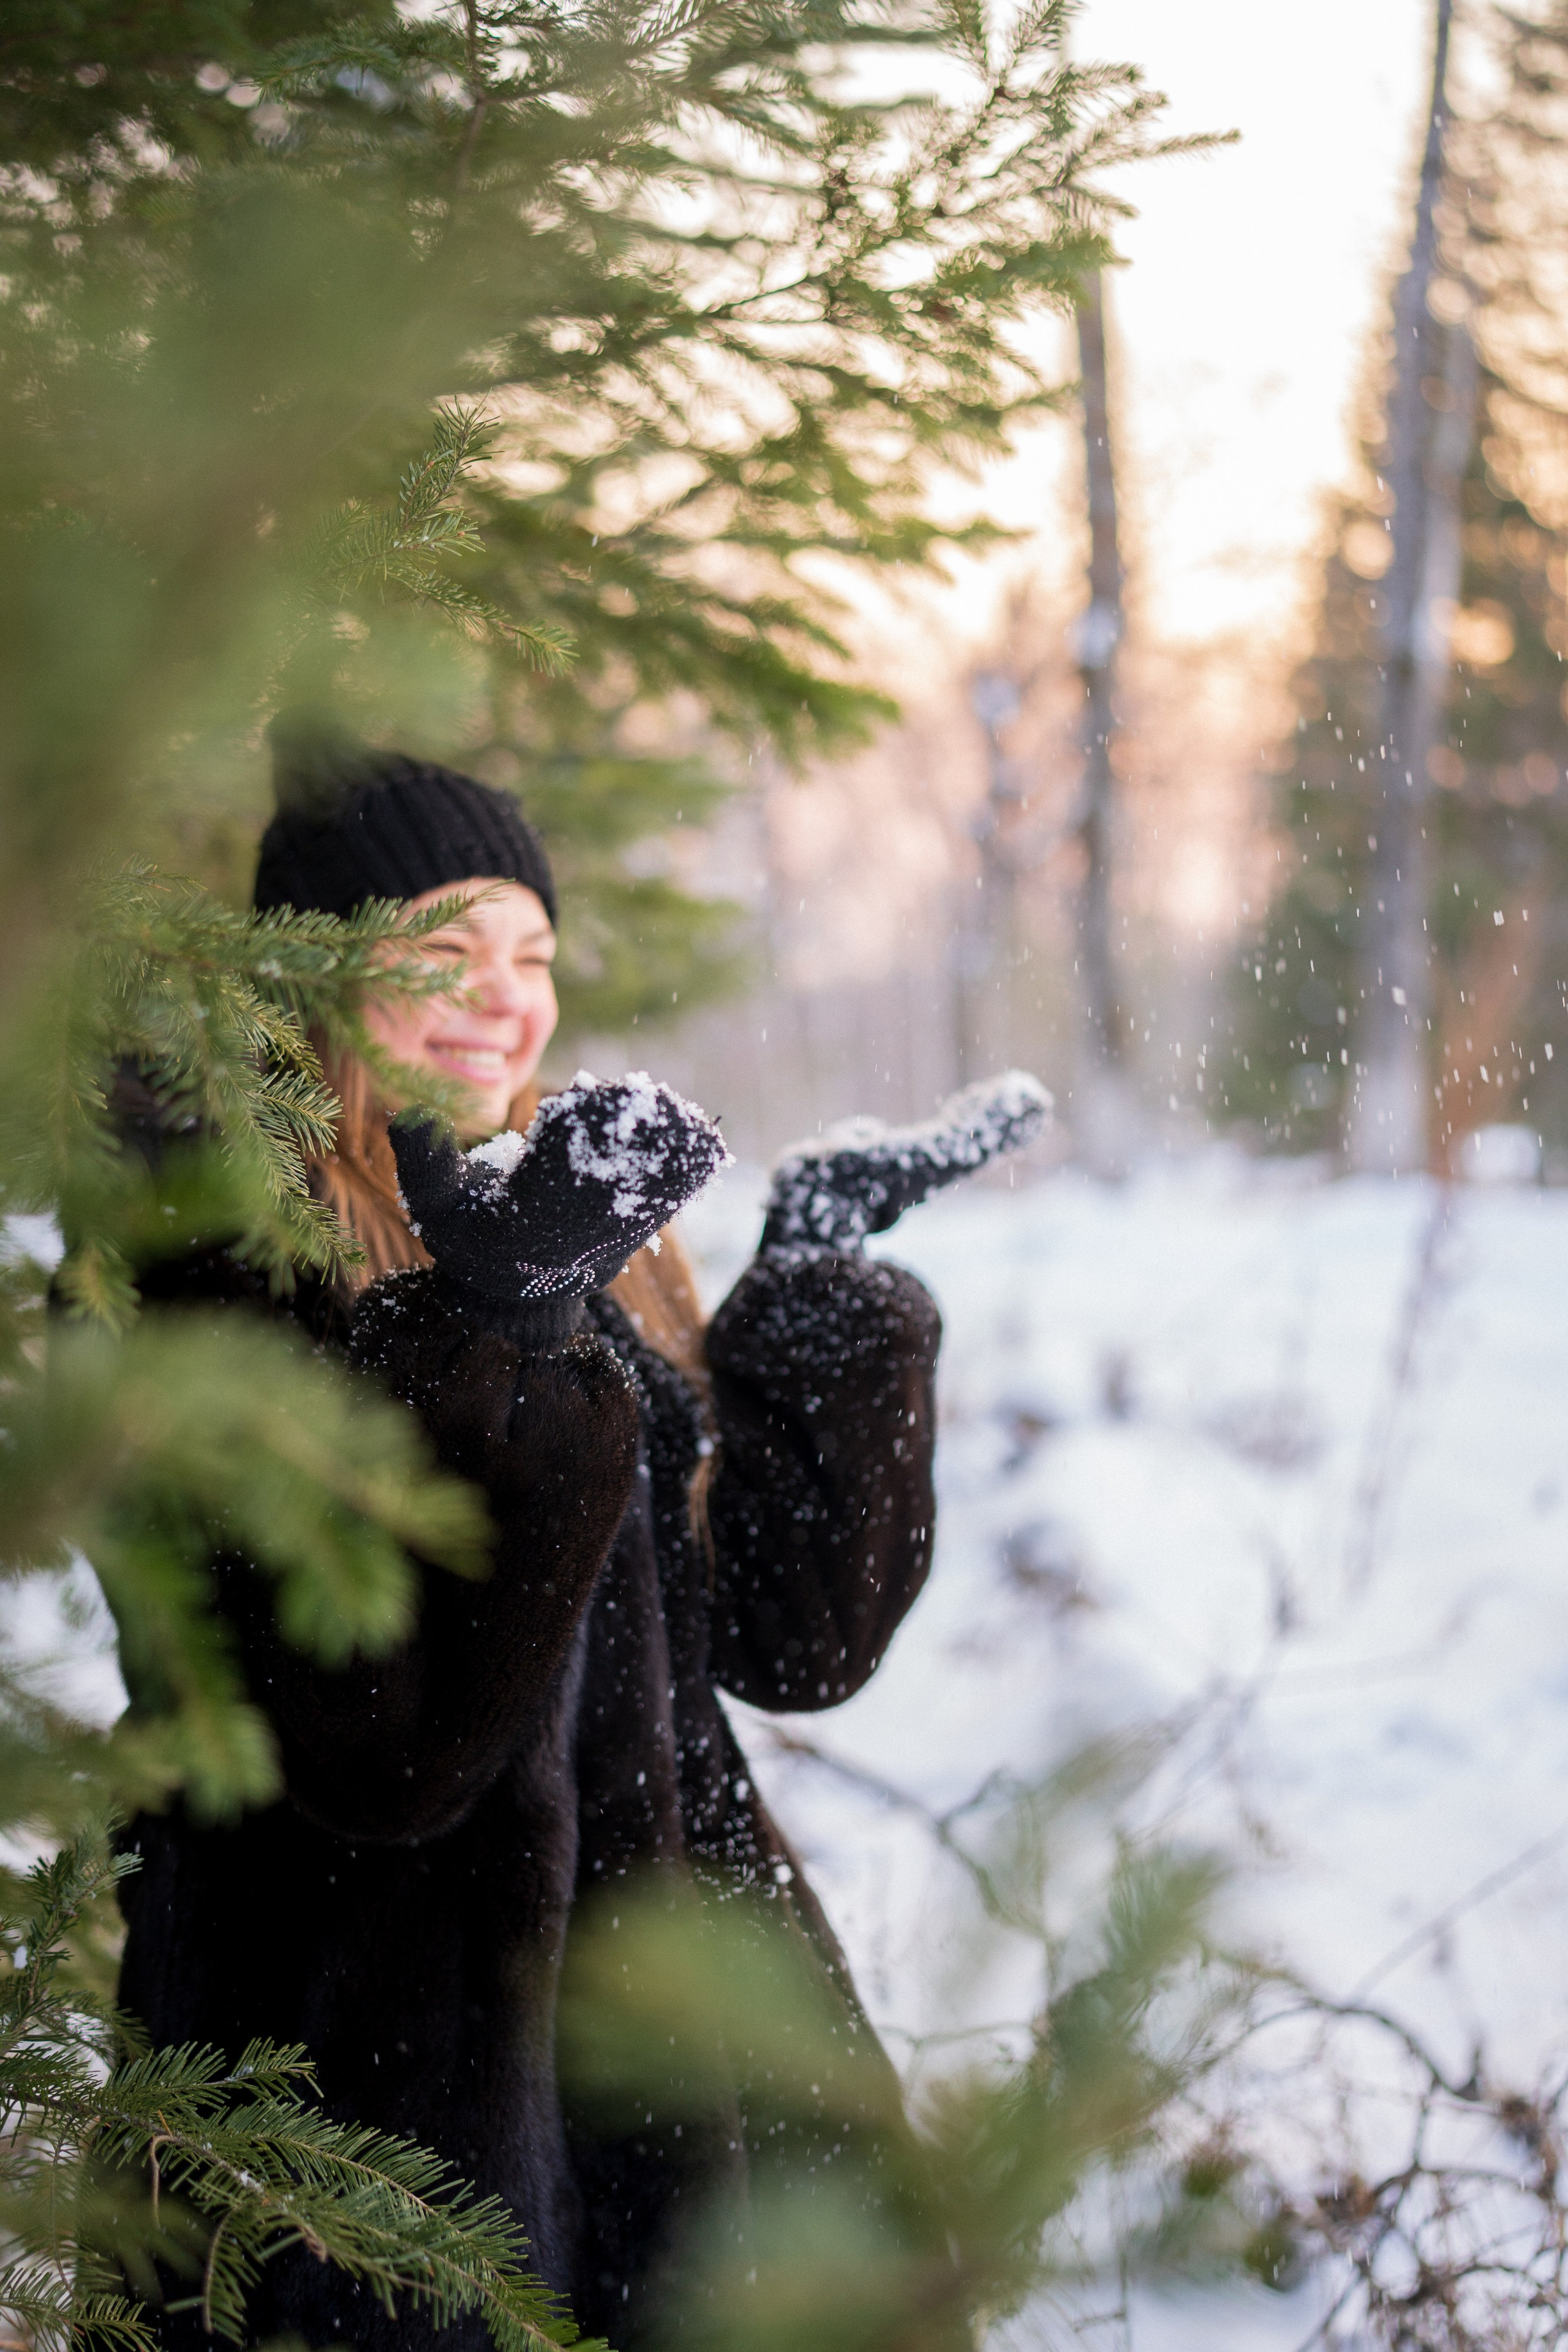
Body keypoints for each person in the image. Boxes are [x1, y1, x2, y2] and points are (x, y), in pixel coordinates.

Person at [111, 725, 1047, 2348]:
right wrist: (503, 1337)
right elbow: (386, 1755)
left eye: (533, 950)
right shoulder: (225, 1268)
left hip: (679, 2037)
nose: (508, 993)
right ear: (317, 980)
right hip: (384, 2095)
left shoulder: (563, 1228)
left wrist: (815, 1296)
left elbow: (777, 1635)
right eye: (445, 947)